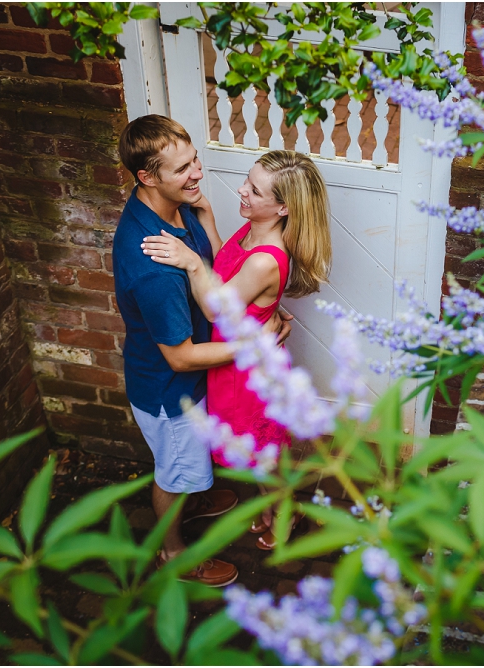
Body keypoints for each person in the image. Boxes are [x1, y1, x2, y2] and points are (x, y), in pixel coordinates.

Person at [114, 115, 292, 586]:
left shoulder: (180, 209)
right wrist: (255, 345)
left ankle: (196, 493)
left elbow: (217, 276)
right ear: (146, 177)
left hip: (198, 377)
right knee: (174, 471)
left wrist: (258, 313)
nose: (197, 173)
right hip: (171, 390)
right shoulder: (154, 265)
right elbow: (179, 357)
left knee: (191, 464)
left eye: (194, 159)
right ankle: (174, 554)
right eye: (183, 169)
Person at [140, 150, 332, 550]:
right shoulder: (253, 231)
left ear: (283, 207)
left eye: (254, 190)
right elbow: (226, 263)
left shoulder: (266, 258)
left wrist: (191, 264)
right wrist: (208, 215)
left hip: (248, 377)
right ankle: (278, 508)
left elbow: (216, 304)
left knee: (263, 456)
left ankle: (286, 511)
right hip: (233, 363)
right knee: (259, 456)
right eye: (248, 179)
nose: (242, 190)